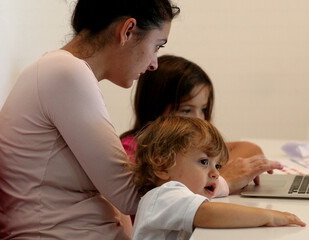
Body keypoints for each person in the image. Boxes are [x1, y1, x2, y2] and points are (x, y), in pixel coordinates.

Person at [0, 1, 180, 239]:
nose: (154, 63)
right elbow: (131, 196)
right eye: (157, 46)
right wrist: (216, 182)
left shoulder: (62, 70)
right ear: (127, 31)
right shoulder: (65, 72)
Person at [121, 55, 283, 195]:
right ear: (153, 108)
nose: (199, 119)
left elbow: (249, 148)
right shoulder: (131, 152)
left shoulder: (191, 147)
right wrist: (224, 180)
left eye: (203, 109)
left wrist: (216, 172)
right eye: (186, 111)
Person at [129, 116, 306, 240]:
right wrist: (270, 216)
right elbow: (207, 214)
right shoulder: (164, 195)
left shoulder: (180, 193)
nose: (215, 173)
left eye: (217, 165)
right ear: (162, 166)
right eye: (204, 162)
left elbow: (214, 195)